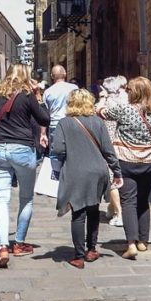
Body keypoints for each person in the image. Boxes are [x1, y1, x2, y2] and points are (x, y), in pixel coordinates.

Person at [99, 76, 151, 259]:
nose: (126, 92)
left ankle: (131, 244)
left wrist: (104, 97)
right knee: (143, 200)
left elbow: (101, 112)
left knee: (128, 201)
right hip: (150, 163)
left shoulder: (124, 110)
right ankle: (143, 241)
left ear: (134, 92)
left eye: (129, 90)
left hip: (126, 161)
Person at [0, 64, 50, 268]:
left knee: (1, 199)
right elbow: (44, 118)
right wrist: (38, 95)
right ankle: (19, 243)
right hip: (22, 148)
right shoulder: (26, 94)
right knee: (26, 198)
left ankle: (2, 246)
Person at [52, 89, 122, 269]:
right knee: (93, 209)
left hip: (76, 171)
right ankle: (92, 249)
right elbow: (108, 150)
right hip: (98, 172)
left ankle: (79, 256)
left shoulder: (64, 123)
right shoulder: (98, 122)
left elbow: (58, 149)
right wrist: (117, 172)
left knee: (78, 213)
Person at [96, 75, 128, 226]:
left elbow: (98, 112)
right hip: (123, 146)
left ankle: (120, 214)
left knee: (112, 181)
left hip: (109, 147)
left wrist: (102, 97)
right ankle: (111, 208)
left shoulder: (107, 104)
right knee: (119, 178)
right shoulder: (125, 100)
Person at [42, 64, 78, 145]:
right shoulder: (74, 88)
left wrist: (43, 133)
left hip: (55, 125)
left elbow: (44, 114)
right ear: (65, 74)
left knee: (55, 153)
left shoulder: (48, 92)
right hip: (72, 123)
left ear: (52, 76)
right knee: (73, 150)